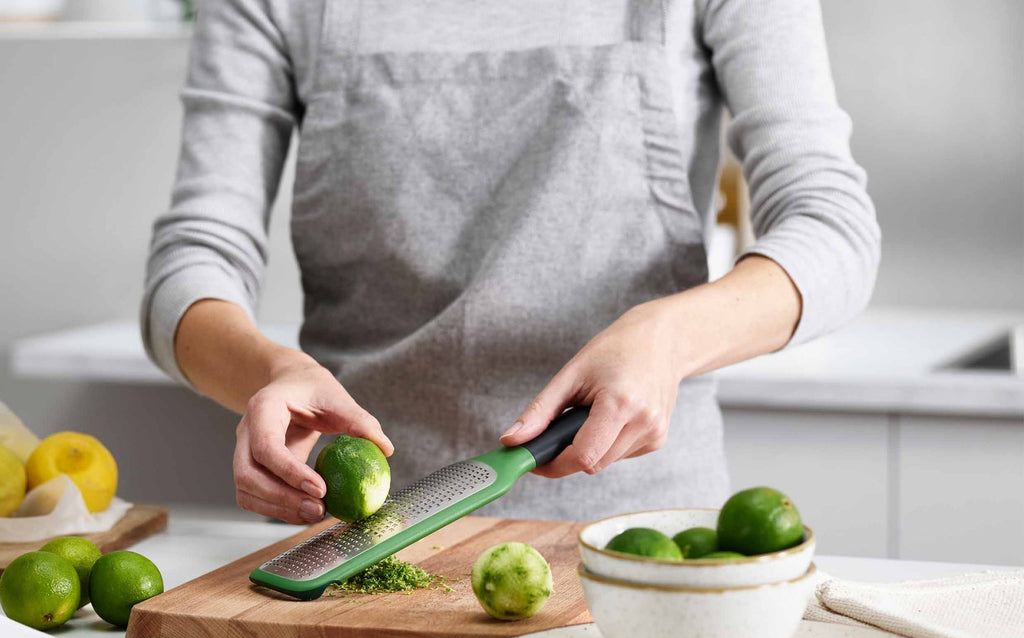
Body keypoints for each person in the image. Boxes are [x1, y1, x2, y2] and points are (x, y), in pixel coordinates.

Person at [142, 0, 880, 525]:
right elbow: (194, 258)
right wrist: (266, 375)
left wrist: (667, 337)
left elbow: (831, 225)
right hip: (355, 545)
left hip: (636, 542)